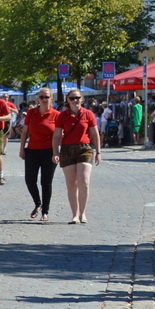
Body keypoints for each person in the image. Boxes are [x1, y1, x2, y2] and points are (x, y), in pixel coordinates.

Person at [53, 89, 101, 224]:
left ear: (82, 99)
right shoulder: (62, 116)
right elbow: (57, 136)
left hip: (84, 149)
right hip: (67, 149)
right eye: (72, 98)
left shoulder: (88, 114)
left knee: (84, 182)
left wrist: (98, 152)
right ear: (68, 100)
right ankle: (74, 214)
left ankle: (83, 214)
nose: (75, 100)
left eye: (78, 98)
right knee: (71, 184)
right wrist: (55, 152)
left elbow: (95, 134)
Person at [19, 88, 58, 221]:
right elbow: (25, 132)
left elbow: (59, 135)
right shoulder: (31, 113)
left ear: (51, 98)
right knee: (29, 180)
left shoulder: (56, 115)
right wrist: (22, 149)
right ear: (38, 99)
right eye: (41, 97)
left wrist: (56, 152)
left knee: (46, 182)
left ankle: (45, 211)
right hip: (32, 150)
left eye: (46, 97)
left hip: (49, 151)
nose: (44, 99)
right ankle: (38, 203)